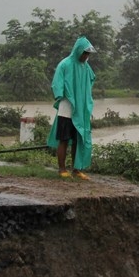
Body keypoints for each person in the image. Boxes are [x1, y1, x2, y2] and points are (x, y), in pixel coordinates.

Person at [46, 36, 96, 180]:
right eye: (85, 53)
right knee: (64, 139)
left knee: (78, 139)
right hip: (67, 109)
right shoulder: (65, 64)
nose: (86, 56)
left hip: (81, 110)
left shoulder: (86, 67)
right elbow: (57, 83)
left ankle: (76, 169)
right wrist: (61, 95)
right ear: (78, 51)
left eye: (88, 54)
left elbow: (91, 81)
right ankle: (62, 168)